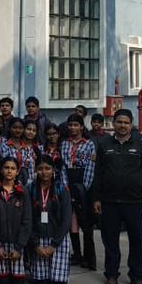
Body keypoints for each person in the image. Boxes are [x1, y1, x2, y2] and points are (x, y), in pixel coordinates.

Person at [91, 109, 142, 284]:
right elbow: (98, 174)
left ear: (131, 124)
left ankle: (136, 277)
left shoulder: (141, 146)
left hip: (134, 202)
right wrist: (96, 198)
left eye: (126, 122)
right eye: (119, 122)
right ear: (113, 123)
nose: (122, 125)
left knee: (136, 240)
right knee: (110, 240)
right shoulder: (104, 145)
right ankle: (111, 275)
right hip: (109, 202)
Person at [29, 155, 72, 284]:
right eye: (40, 169)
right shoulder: (30, 189)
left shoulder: (61, 189)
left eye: (47, 168)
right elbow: (27, 219)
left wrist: (53, 245)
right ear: (36, 170)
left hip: (57, 239)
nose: (44, 172)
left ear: (53, 170)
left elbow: (66, 220)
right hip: (38, 239)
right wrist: (36, 245)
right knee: (40, 282)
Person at [60, 114, 97, 270]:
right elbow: (62, 165)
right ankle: (77, 254)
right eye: (70, 125)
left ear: (82, 127)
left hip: (83, 183)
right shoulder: (64, 144)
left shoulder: (89, 144)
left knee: (86, 223)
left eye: (76, 125)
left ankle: (90, 258)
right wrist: (65, 186)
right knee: (72, 220)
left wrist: (84, 188)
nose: (73, 128)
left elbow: (91, 166)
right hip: (69, 181)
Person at [0, 157, 32, 284]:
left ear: (17, 171)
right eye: (6, 168)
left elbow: (27, 221)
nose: (9, 171)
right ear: (1, 170)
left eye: (13, 168)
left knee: (18, 282)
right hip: (0, 243)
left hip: (16, 243)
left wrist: (19, 247)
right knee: (3, 282)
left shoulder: (23, 192)